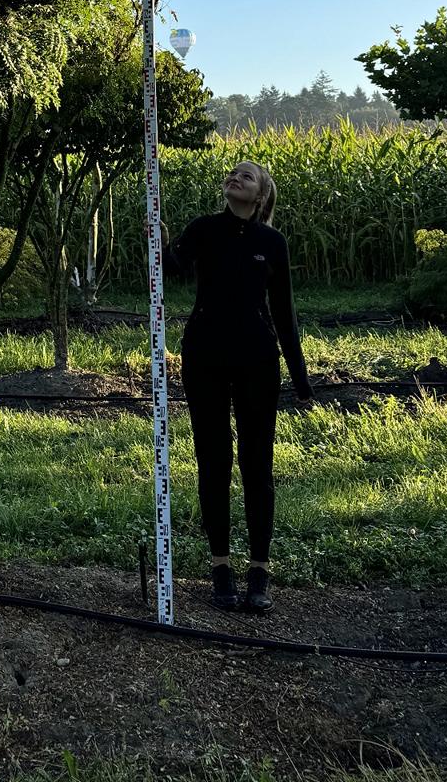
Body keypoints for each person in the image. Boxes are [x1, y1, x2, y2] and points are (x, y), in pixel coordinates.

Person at [164, 160, 314, 614]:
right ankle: (220, 569)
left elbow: (285, 311)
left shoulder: (273, 243)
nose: (235, 177)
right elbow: (170, 268)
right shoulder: (204, 228)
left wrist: (300, 376)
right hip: (204, 355)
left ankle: (258, 572)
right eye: (231, 173)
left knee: (256, 463)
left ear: (262, 195)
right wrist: (159, 236)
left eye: (247, 176)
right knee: (213, 460)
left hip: (256, 359)